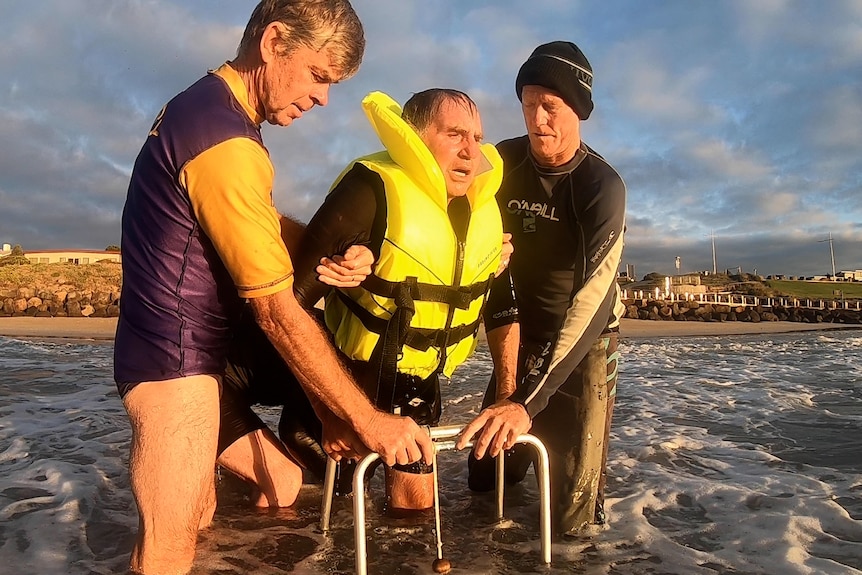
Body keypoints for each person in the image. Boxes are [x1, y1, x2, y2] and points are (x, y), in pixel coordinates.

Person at [113, 3, 434, 574]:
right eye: (319, 76)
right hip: (173, 365)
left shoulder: (211, 113)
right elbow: (277, 313)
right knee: (166, 551)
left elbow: (254, 218)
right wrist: (367, 420)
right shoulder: (226, 142)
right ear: (275, 41)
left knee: (280, 482)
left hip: (193, 358)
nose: (323, 98)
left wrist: (330, 248)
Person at [217, 88, 507, 511]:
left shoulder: (478, 212)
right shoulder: (369, 188)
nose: (470, 152)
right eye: (455, 135)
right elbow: (286, 308)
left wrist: (509, 396)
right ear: (414, 136)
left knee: (415, 518)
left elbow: (502, 304)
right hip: (333, 373)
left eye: (477, 138)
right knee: (305, 507)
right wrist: (334, 410)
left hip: (412, 379)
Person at [456, 41, 627, 536]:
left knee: (571, 516)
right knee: (484, 480)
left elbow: (594, 299)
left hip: (587, 344)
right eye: (528, 104)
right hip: (519, 334)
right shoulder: (502, 161)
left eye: (550, 106)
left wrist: (526, 405)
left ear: (579, 110)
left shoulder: (601, 186)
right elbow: (439, 197)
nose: (537, 118)